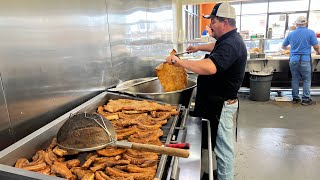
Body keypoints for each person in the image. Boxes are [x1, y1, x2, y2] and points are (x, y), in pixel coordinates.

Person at [165, 2, 247, 180]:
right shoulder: (227, 40)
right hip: (213, 102)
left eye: (214, 21)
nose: (210, 25)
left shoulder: (232, 43)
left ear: (225, 23)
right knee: (212, 143)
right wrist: (197, 48)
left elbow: (210, 67)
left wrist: (179, 63)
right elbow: (215, 48)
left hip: (222, 106)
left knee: (224, 150)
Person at [282, 16, 320, 105]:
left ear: (296, 24)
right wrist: (318, 51)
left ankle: (295, 98)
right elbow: (316, 47)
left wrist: (292, 49)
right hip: (305, 60)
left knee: (295, 79)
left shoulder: (291, 34)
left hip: (293, 60)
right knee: (307, 80)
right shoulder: (310, 32)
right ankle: (306, 99)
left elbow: (283, 47)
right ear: (306, 23)